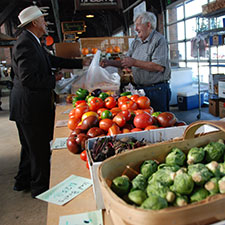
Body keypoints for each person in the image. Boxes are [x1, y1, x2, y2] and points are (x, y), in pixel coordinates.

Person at [10, 5, 90, 198]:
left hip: (27, 106)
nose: (46, 24)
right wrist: (53, 79)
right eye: (43, 20)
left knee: (29, 147)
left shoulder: (33, 41)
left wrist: (81, 63)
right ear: (35, 22)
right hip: (30, 107)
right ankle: (40, 188)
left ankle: (22, 181)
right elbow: (27, 78)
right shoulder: (25, 43)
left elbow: (51, 60)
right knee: (38, 150)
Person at [101, 11, 171, 112]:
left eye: (138, 25)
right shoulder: (136, 42)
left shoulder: (159, 40)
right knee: (144, 122)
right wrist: (109, 63)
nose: (135, 28)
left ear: (148, 25)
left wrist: (134, 62)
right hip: (141, 90)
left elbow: (158, 66)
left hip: (157, 90)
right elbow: (126, 61)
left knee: (158, 121)